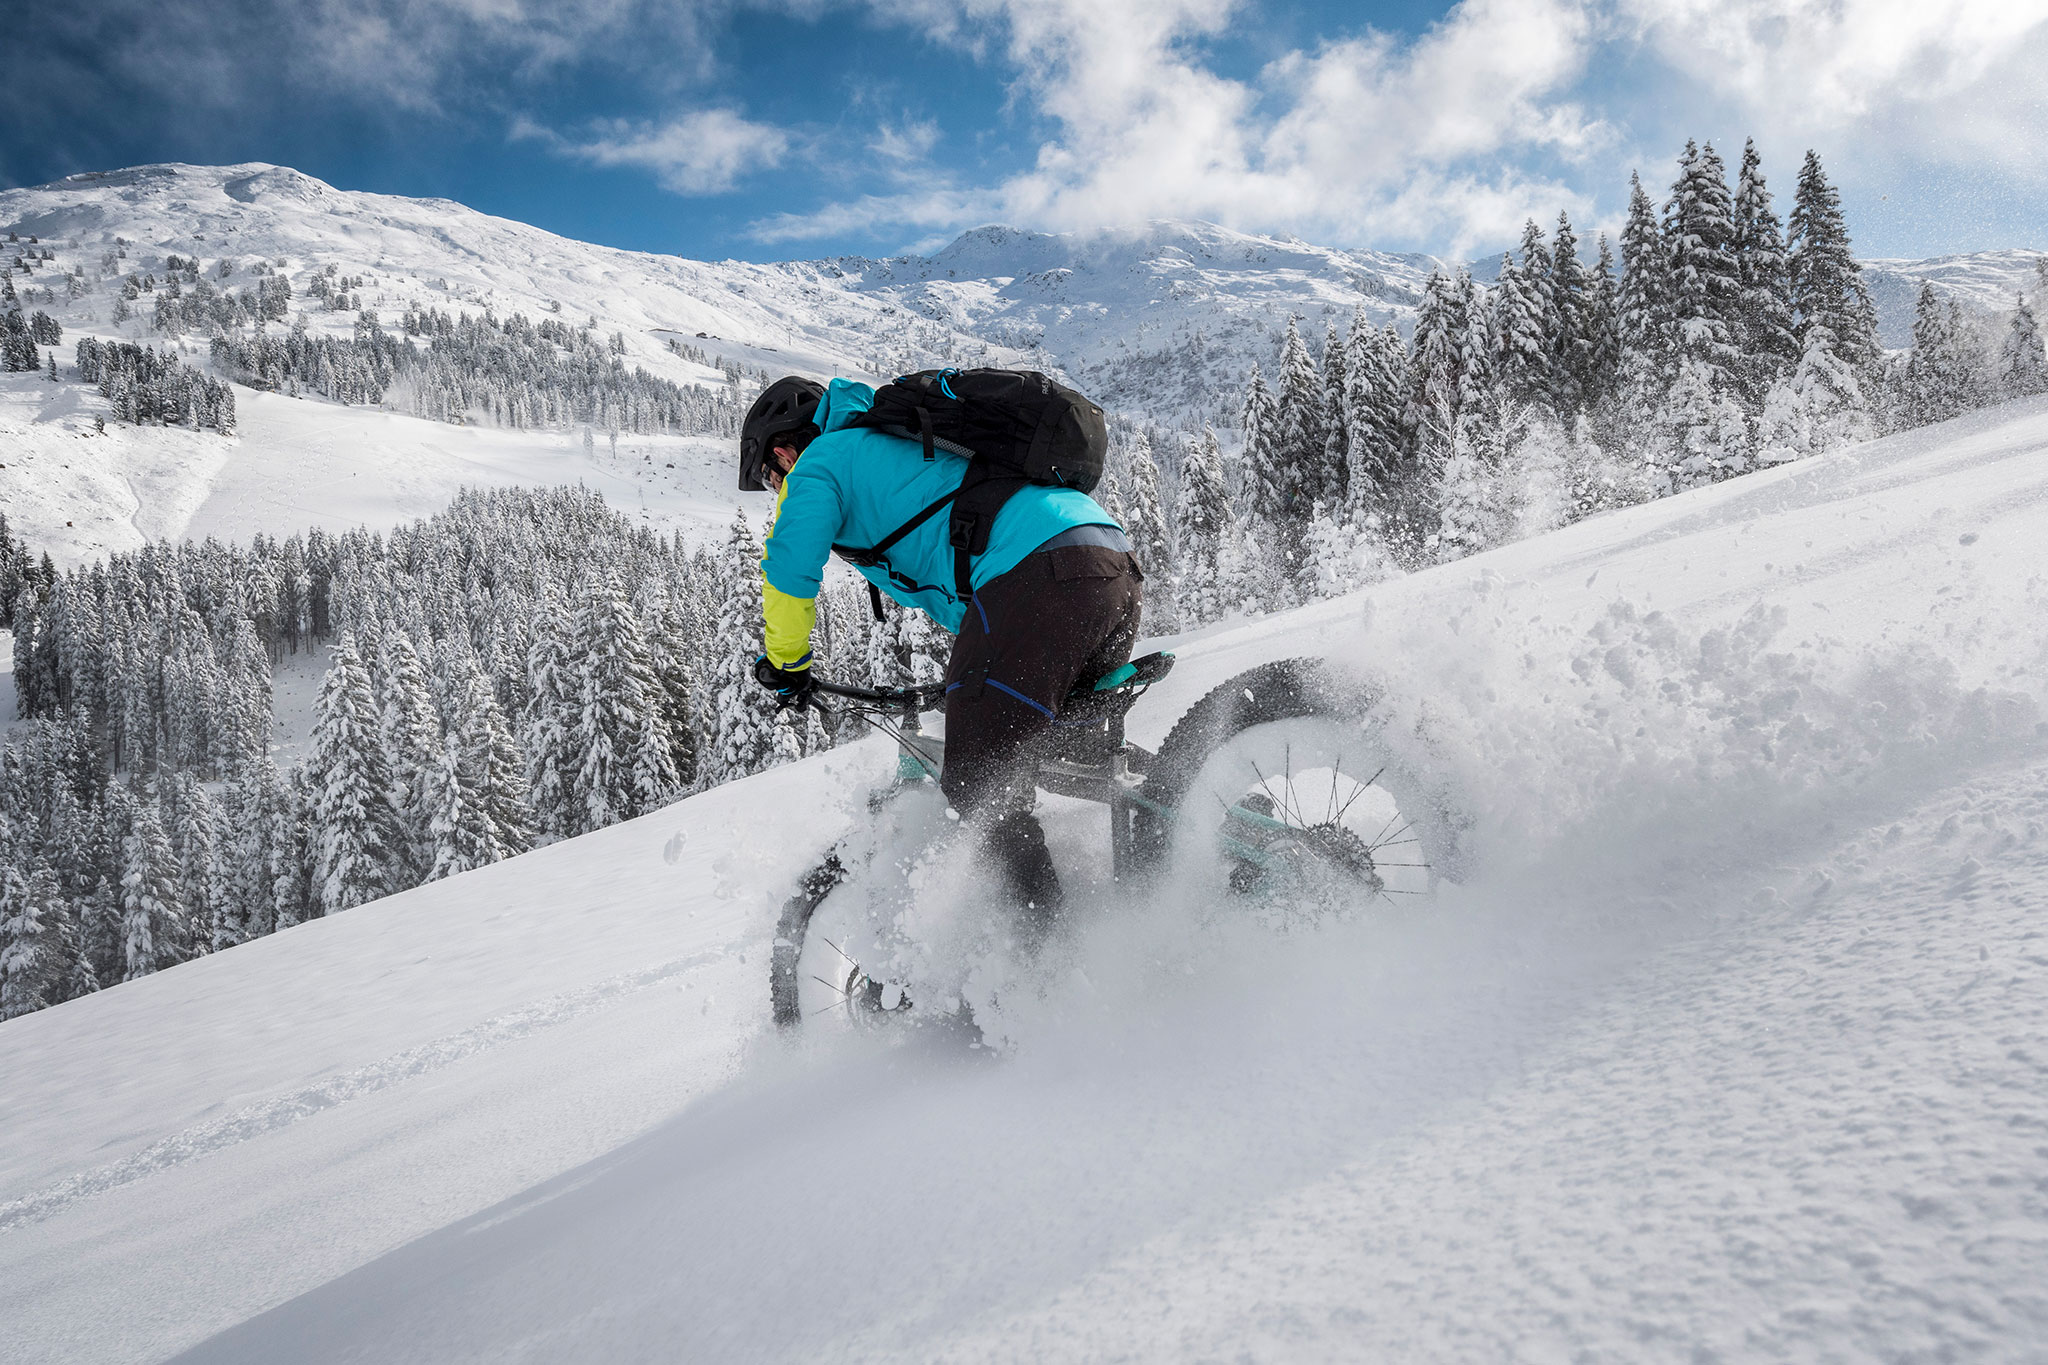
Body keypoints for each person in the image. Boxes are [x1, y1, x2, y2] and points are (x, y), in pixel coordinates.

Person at [741, 375, 1142, 938]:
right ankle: (1189, 833)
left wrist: (786, 666)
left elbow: (788, 569)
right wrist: (967, 679)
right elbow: (971, 586)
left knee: (983, 785)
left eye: (767, 475)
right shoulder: (891, 447)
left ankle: (1049, 965)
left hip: (1038, 575)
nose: (775, 484)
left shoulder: (822, 461)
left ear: (783, 450)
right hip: (1109, 566)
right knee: (1068, 757)